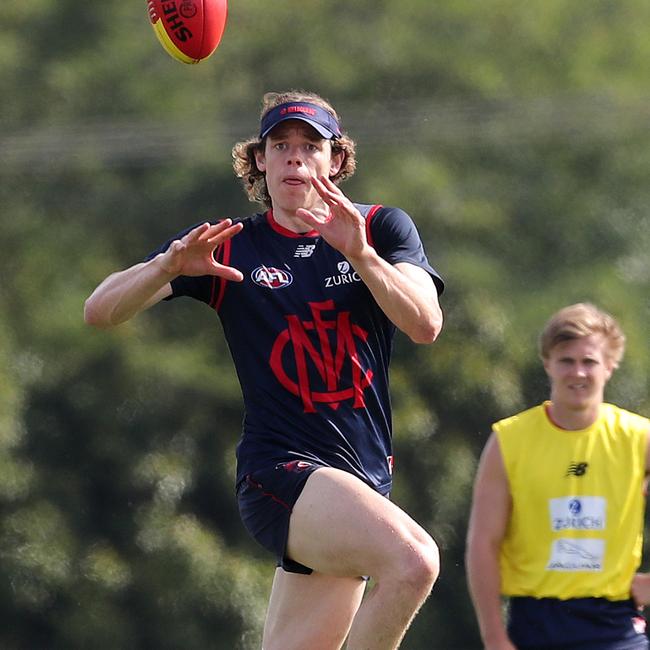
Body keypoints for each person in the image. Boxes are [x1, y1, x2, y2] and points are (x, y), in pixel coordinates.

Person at [84, 90, 444, 650]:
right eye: (280, 146)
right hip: (280, 474)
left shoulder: (381, 228)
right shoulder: (231, 246)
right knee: (414, 562)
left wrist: (362, 257)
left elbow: (425, 324)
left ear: (337, 161)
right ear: (259, 161)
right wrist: (167, 266)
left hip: (362, 481)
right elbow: (100, 311)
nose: (295, 159)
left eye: (310, 146)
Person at [466, 302, 650, 650]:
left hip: (615, 625)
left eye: (589, 362)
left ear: (610, 366)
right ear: (548, 363)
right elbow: (483, 543)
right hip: (535, 622)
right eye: (567, 361)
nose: (577, 373)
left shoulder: (639, 437)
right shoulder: (509, 439)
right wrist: (493, 636)